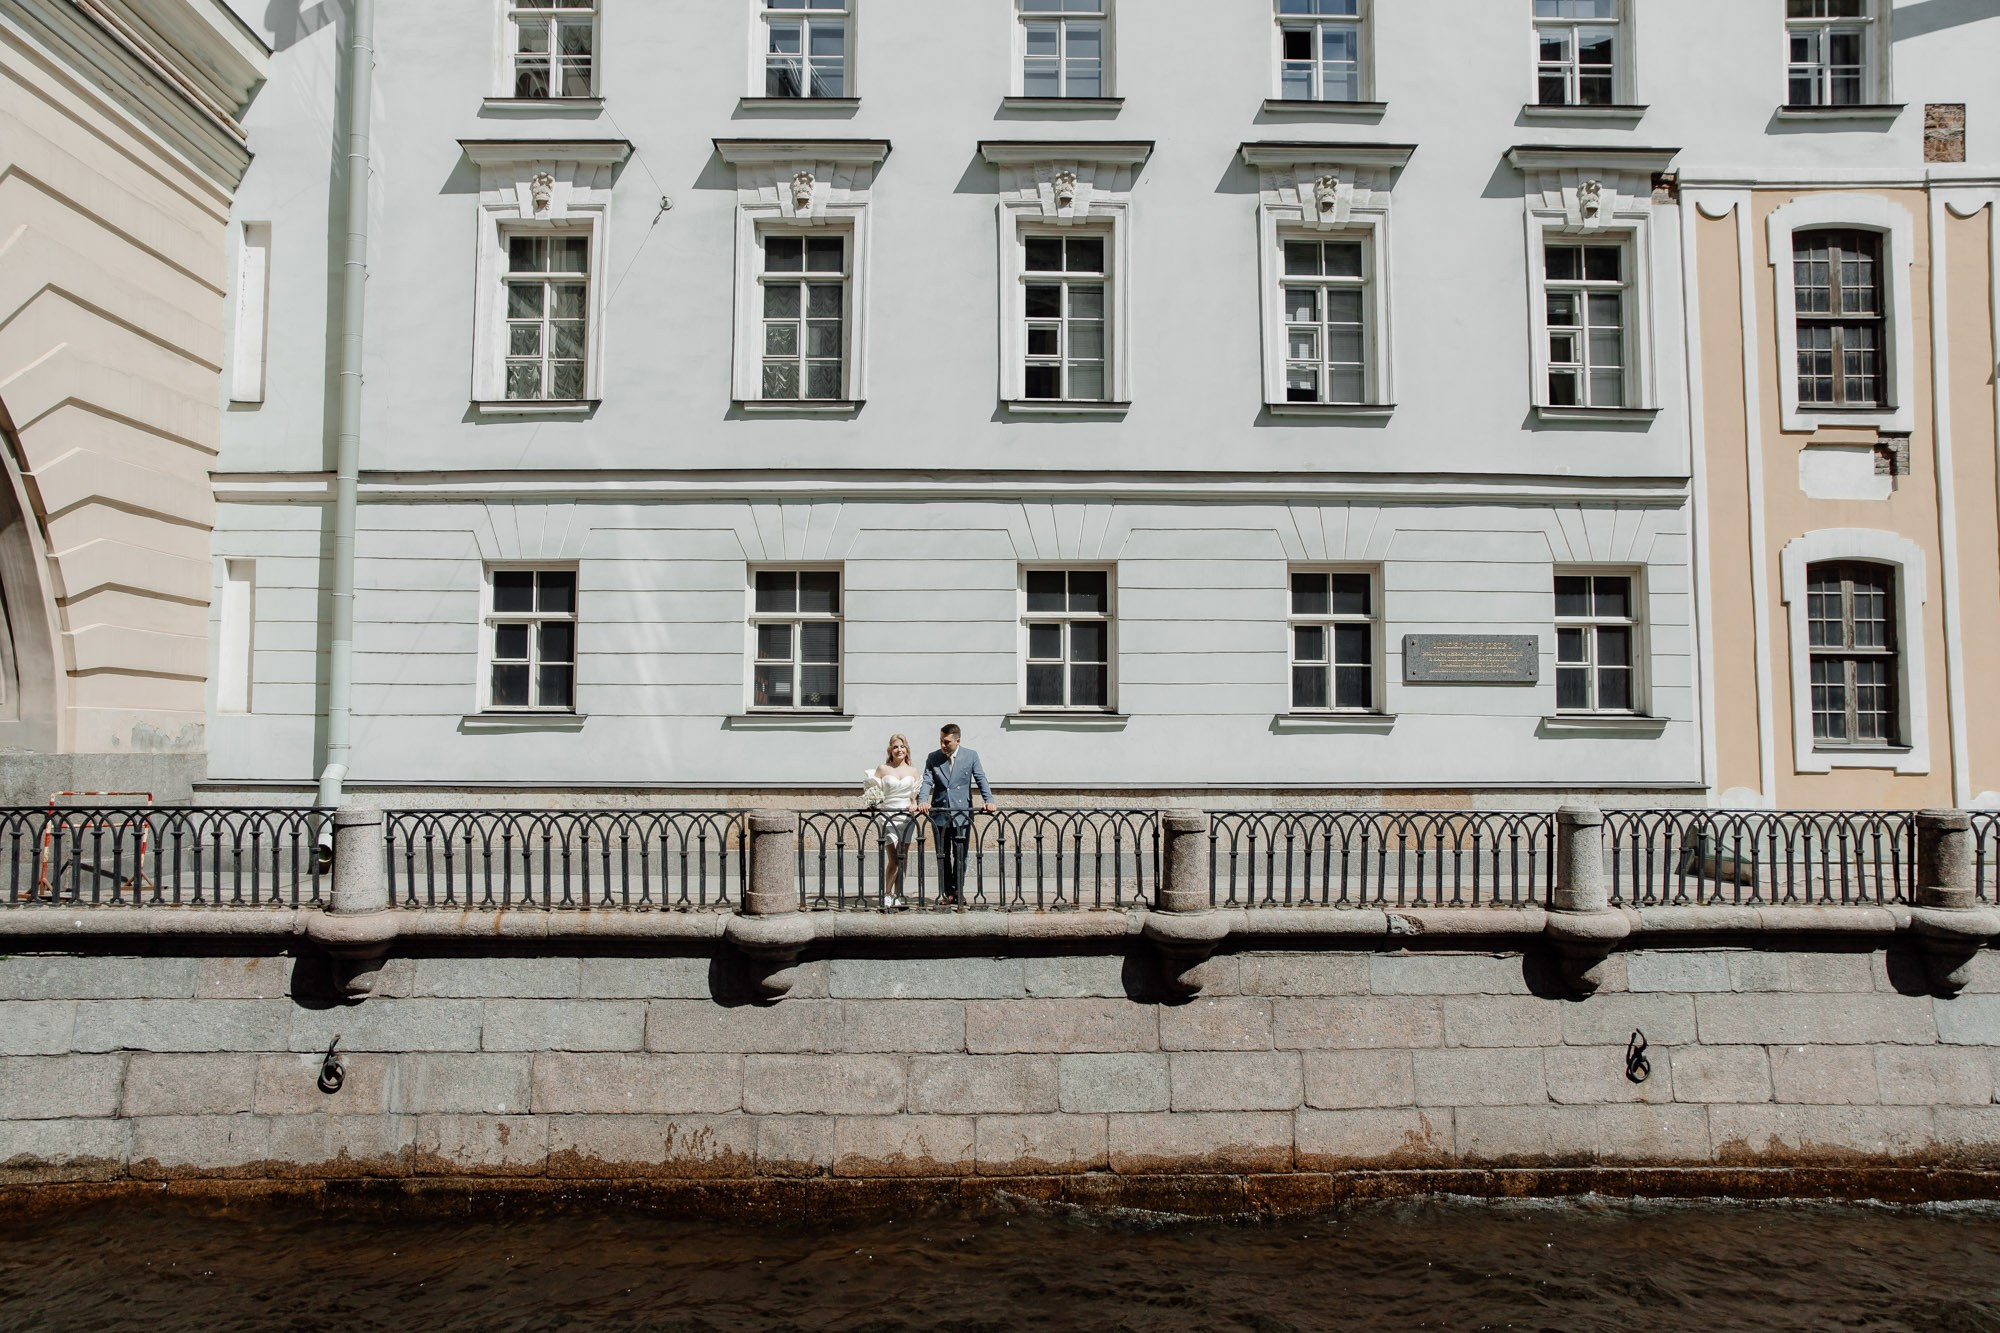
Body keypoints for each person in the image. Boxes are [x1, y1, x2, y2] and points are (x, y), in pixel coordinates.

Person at [915, 723, 994, 906]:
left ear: (958, 740)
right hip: (940, 814)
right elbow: (927, 781)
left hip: (961, 814)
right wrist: (922, 801)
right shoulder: (933, 757)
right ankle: (947, 892)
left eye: (947, 742)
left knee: (961, 855)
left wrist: (988, 800)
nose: (943, 745)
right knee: (942, 855)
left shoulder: (971, 755)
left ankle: (958, 891)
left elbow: (980, 778)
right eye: (941, 741)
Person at [868, 734, 920, 910]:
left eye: (902, 746)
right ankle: (887, 892)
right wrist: (873, 803)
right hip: (888, 816)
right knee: (894, 859)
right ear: (890, 750)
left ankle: (898, 894)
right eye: (896, 746)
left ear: (907, 750)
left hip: (907, 817)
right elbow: (873, 792)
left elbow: (916, 795)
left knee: (902, 857)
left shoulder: (913, 771)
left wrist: (914, 804)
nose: (899, 749)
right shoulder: (882, 769)